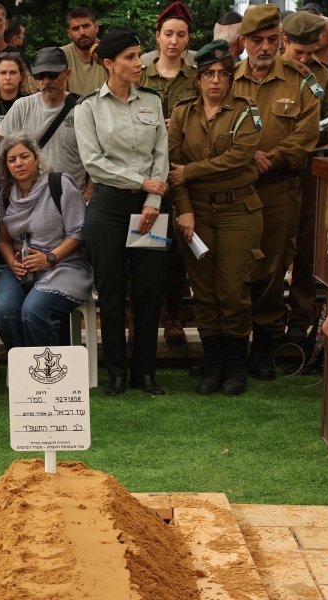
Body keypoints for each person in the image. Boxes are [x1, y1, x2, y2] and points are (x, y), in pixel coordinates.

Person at [74, 29, 169, 396]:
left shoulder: (152, 102)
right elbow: (93, 163)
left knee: (149, 289)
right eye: (130, 57)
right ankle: (116, 372)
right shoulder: (88, 107)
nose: (139, 63)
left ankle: (145, 372)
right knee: (111, 292)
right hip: (109, 207)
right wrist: (140, 182)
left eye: (139, 56)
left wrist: (152, 201)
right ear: (109, 64)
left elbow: (161, 154)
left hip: (149, 206)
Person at [167, 40, 262, 395]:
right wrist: (185, 209)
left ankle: (236, 367)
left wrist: (191, 172)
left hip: (239, 210)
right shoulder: (181, 113)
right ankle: (213, 363)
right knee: (204, 292)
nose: (216, 81)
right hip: (196, 213)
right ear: (198, 77)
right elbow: (171, 168)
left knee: (233, 290)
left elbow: (240, 157)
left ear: (231, 78)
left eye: (223, 74)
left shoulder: (245, 112)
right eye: (209, 74)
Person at [233, 4, 320, 380]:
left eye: (272, 39)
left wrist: (276, 156)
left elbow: (307, 132)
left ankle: (264, 345)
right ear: (244, 41)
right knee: (235, 266)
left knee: (271, 266)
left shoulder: (301, 79)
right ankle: (232, 344)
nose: (265, 47)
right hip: (233, 189)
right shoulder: (226, 77)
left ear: (281, 39)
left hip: (280, 187)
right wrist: (243, 156)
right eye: (257, 40)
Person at [0, 131, 92, 350]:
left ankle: (48, 376)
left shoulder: (60, 184)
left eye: (24, 156)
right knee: (4, 312)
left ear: (36, 158)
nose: (19, 163)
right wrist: (13, 264)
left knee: (33, 311)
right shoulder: (6, 196)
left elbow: (78, 234)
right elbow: (5, 240)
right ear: (6, 166)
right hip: (22, 269)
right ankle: (27, 372)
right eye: (12, 159)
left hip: (63, 264)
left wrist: (49, 258)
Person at [137, 2, 197, 346]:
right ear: (157, 38)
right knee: (145, 246)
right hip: (147, 174)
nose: (174, 41)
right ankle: (142, 321)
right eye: (168, 34)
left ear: (188, 40)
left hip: (182, 172)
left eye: (181, 35)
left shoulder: (196, 78)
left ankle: (173, 318)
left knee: (176, 250)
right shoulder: (141, 75)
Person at [284, 11, 328, 344]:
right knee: (267, 250)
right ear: (284, 43)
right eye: (297, 53)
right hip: (267, 171)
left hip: (307, 169)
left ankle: (299, 319)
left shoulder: (323, 76)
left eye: (309, 53)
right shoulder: (265, 72)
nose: (304, 60)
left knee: (306, 245)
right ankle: (263, 322)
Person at [1, 47, 86, 193]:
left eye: (52, 74)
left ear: (67, 74)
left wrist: (88, 195)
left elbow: (96, 156)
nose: (46, 81)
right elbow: (5, 157)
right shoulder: (21, 107)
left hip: (72, 198)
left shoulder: (82, 108)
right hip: (31, 199)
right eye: (40, 75)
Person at [0, 53, 34, 135]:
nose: (8, 77)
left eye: (13, 73)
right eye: (3, 73)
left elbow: (31, 133)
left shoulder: (30, 101)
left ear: (21, 76)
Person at [60, 8, 107, 95]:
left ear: (96, 27)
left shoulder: (110, 51)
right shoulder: (61, 55)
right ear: (69, 34)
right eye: (76, 28)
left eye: (86, 26)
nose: (82, 32)